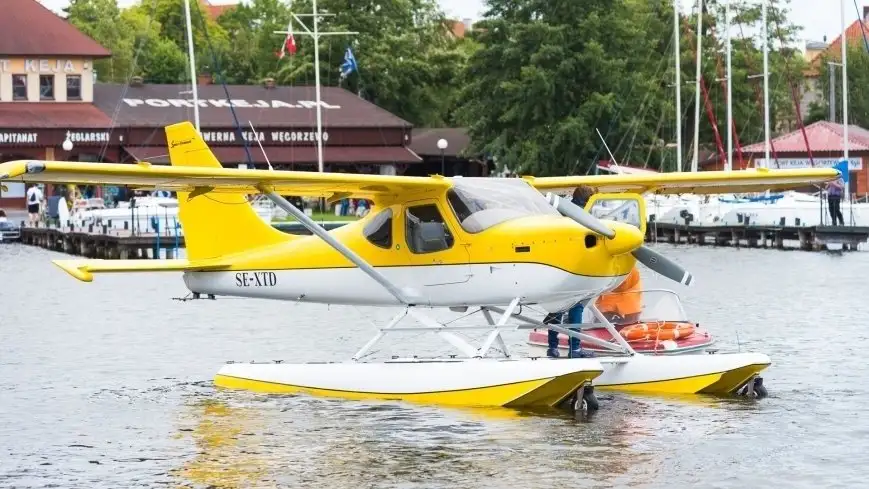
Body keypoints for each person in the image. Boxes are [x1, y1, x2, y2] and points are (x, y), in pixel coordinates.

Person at [547, 185, 598, 359]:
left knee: (557, 307)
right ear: (587, 201)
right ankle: (574, 349)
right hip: (572, 268)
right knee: (576, 306)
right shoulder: (581, 216)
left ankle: (552, 346)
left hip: (555, 268)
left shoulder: (561, 214)